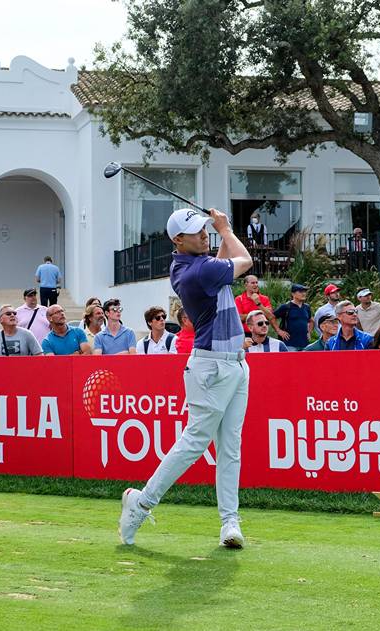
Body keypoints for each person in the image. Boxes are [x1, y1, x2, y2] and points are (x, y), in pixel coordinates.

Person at [119, 207, 252, 549]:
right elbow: (245, 260)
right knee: (194, 443)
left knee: (230, 448)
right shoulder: (196, 272)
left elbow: (221, 265)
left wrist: (219, 232)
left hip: (236, 365)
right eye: (197, 232)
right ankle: (141, 503)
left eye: (206, 229)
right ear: (178, 240)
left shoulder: (195, 264)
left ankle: (229, 522)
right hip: (211, 367)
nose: (205, 234)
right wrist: (225, 228)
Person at [273, 284, 314, 351]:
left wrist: (309, 332)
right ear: (293, 294)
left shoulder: (307, 307)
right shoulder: (286, 307)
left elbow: (311, 320)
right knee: (290, 361)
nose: (303, 294)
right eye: (300, 292)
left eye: (304, 291)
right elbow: (272, 317)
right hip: (289, 344)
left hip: (305, 344)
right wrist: (278, 331)